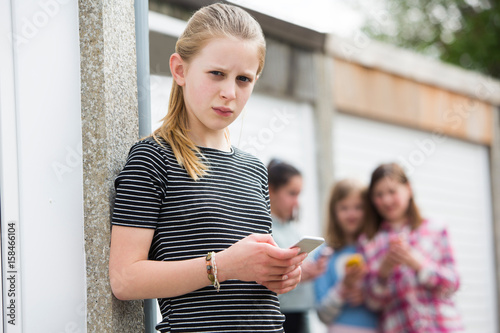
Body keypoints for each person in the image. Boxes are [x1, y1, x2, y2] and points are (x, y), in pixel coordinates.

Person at [108, 4, 307, 332]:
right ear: (180, 70)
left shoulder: (255, 170)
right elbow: (125, 279)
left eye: (244, 79)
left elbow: (249, 280)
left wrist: (281, 274)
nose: (229, 92)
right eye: (217, 73)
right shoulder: (153, 159)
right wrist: (223, 265)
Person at [359, 163, 463, 332]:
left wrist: (418, 263)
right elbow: (372, 303)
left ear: (408, 189)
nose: (386, 200)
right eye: (379, 194)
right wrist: (384, 271)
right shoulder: (369, 242)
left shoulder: (436, 229)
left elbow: (453, 284)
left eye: (392, 191)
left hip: (443, 327)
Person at [267, 159, 328, 333]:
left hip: (301, 313)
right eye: (292, 193)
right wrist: (296, 274)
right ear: (271, 190)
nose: (297, 202)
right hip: (278, 316)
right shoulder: (263, 229)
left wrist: (312, 270)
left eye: (299, 194)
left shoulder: (293, 230)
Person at [314, 179, 380, 333]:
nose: (351, 214)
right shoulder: (324, 255)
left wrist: (367, 296)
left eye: (358, 207)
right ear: (334, 211)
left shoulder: (375, 249)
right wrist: (344, 287)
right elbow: (322, 314)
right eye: (344, 208)